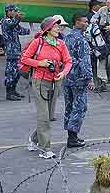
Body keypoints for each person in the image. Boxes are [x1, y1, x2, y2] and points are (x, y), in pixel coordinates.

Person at [18, 16, 71, 160]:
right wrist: (40, 64)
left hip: (55, 82)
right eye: (55, 26)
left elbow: (68, 61)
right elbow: (24, 59)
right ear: (47, 29)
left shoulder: (61, 44)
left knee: (48, 116)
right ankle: (45, 148)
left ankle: (33, 139)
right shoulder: (38, 42)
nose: (58, 29)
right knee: (43, 116)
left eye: (58, 27)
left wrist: (63, 73)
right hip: (39, 81)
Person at [63, 12, 95, 148]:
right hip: (79, 78)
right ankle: (73, 137)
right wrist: (90, 78)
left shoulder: (67, 37)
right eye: (85, 22)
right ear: (77, 22)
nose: (87, 24)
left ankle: (71, 135)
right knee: (80, 107)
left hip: (67, 77)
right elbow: (85, 61)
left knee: (69, 106)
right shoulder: (81, 40)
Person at [0, 3, 31, 101]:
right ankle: (9, 93)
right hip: (11, 51)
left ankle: (13, 90)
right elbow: (12, 25)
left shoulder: (13, 22)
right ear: (9, 12)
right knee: (11, 72)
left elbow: (21, 30)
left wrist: (33, 31)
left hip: (16, 50)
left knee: (16, 72)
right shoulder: (6, 22)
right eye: (14, 11)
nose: (16, 13)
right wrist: (18, 19)